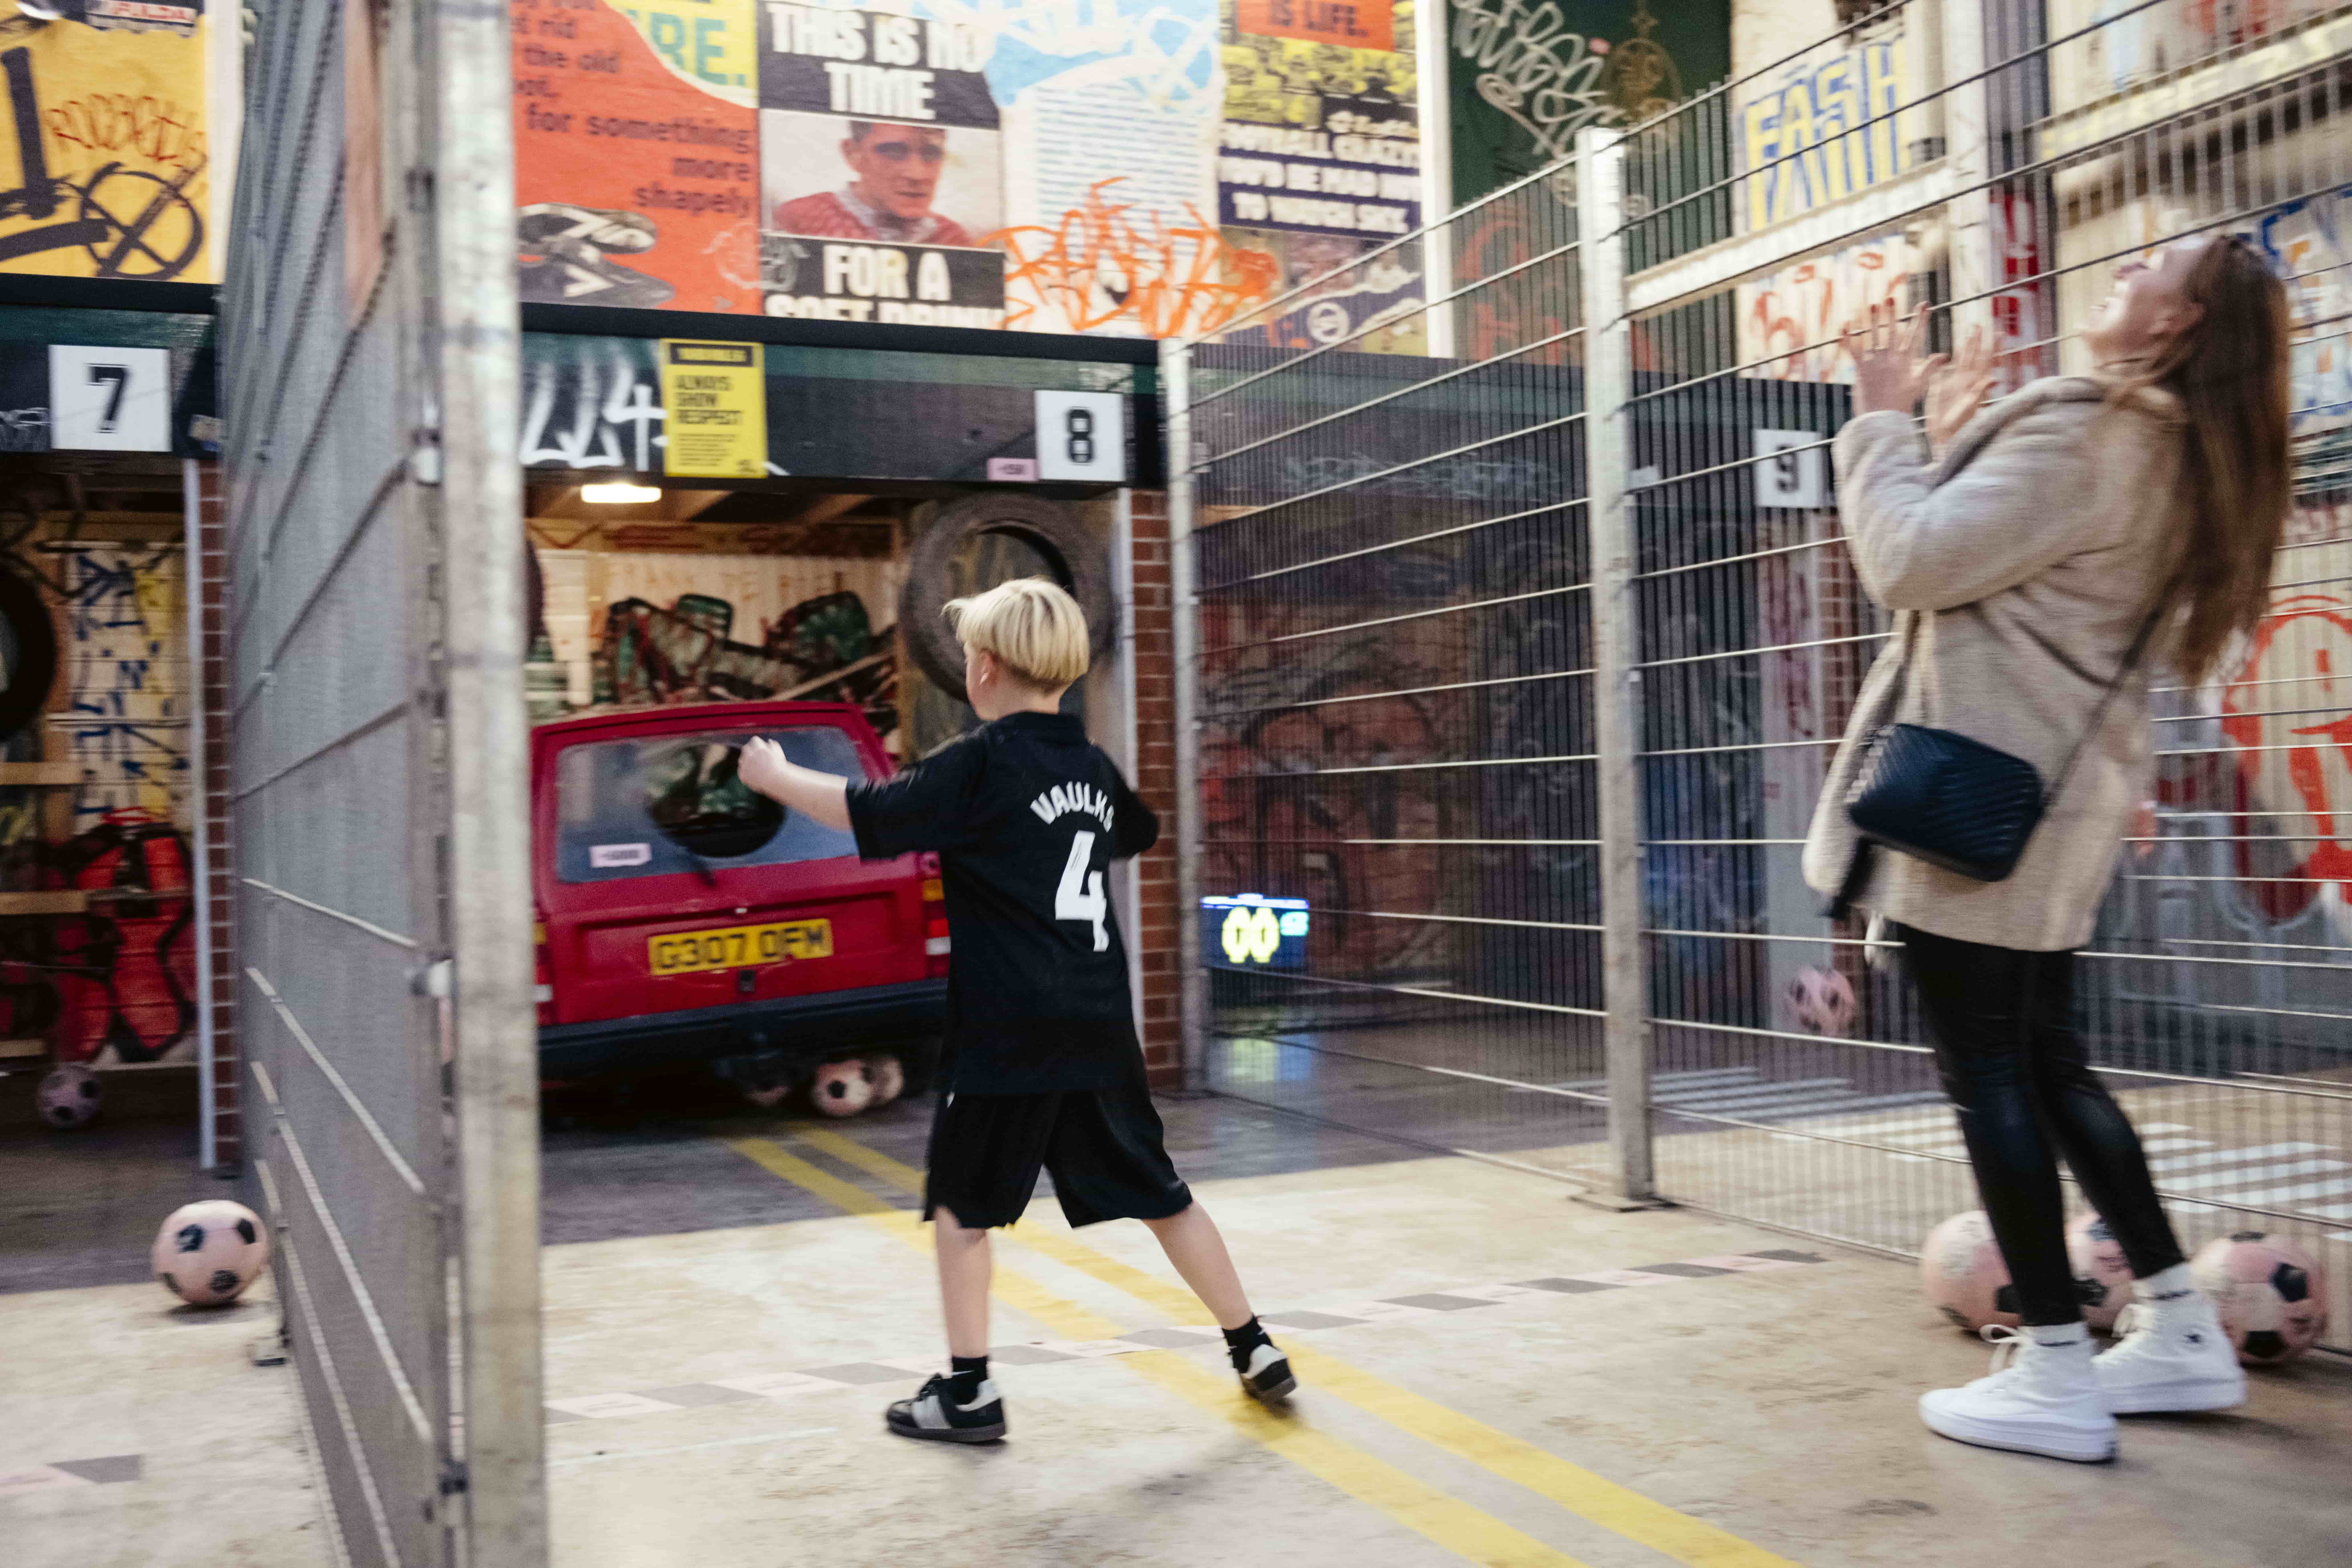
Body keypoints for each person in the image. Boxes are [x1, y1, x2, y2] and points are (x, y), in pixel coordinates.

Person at [1806, 235, 2292, 1462]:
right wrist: (1958, 434)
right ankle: (2181, 1327)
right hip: (2054, 805)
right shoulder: (2189, 453)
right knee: (2048, 1062)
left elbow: (1909, 559)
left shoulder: (2098, 431)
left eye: (2152, 269)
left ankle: (2057, 1368)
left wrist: (1882, 419)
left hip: (1979, 806)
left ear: (2179, 327)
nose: (2122, 270)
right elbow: (1986, 573)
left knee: (1990, 1074)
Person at [736, 577, 1295, 1444]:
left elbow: (867, 814)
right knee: (1161, 1193)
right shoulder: (1091, 765)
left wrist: (775, 775)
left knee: (963, 1209)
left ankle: (967, 1392)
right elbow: (1134, 833)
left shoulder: (981, 761)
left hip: (1007, 1030)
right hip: (1098, 1020)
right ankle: (1253, 1343)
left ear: (986, 668)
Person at [771, 121, 975, 247]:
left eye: (932, 154)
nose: (917, 174)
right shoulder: (800, 219)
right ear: (853, 154)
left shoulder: (952, 237)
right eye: (894, 152)